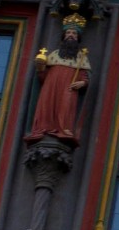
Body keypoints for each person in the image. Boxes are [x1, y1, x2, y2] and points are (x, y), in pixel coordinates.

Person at [27, 13, 92, 143]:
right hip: (51, 87)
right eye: (68, 32)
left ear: (78, 37)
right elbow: (43, 77)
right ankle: (43, 127)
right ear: (64, 36)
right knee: (47, 105)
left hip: (68, 88)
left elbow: (85, 76)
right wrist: (40, 68)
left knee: (66, 106)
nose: (71, 35)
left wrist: (83, 83)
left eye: (74, 33)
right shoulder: (54, 54)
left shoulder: (81, 58)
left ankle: (64, 129)